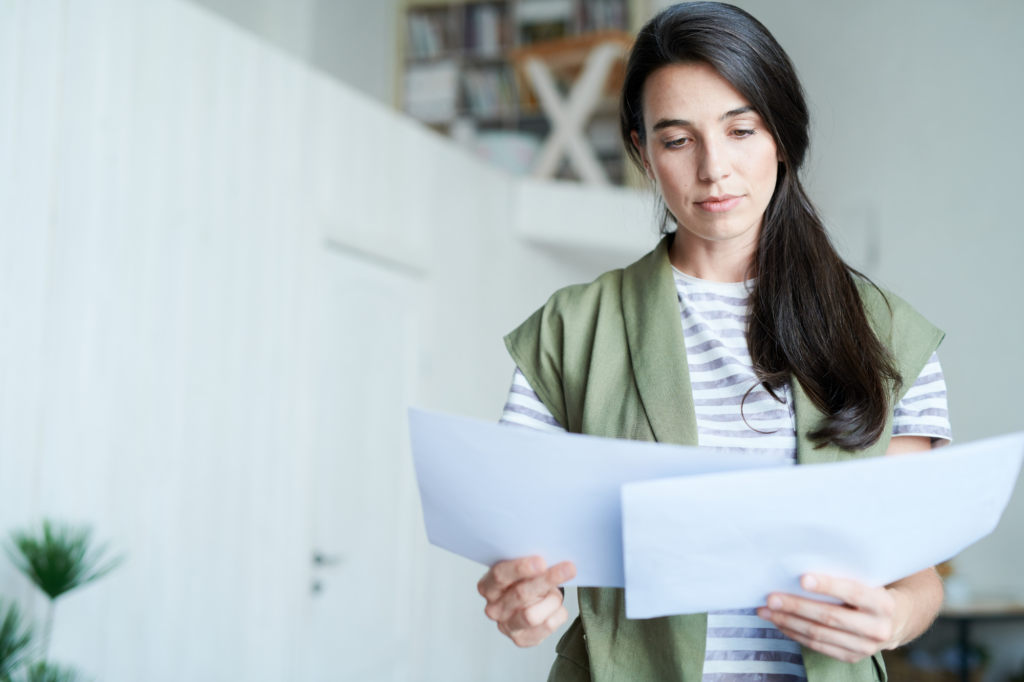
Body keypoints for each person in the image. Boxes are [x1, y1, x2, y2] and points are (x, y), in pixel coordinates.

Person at [477, 3, 951, 681]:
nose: (714, 169)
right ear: (643, 151)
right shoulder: (572, 329)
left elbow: (915, 569)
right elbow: (525, 549)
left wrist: (896, 617)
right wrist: (525, 600)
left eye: (741, 130)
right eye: (677, 140)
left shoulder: (888, 332)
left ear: (780, 136)